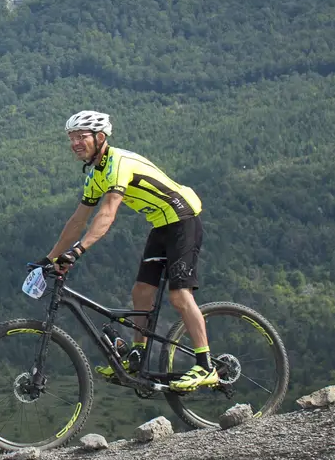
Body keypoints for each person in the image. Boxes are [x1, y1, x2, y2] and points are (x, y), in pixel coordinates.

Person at [40, 109, 218, 391]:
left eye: (81, 137)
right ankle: (138, 354)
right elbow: (77, 221)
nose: (75, 143)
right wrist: (47, 259)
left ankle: (206, 366)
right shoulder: (95, 174)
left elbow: (107, 214)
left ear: (100, 137)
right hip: (161, 225)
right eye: (71, 138)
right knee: (141, 292)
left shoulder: (118, 163)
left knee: (179, 295)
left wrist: (77, 251)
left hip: (183, 220)